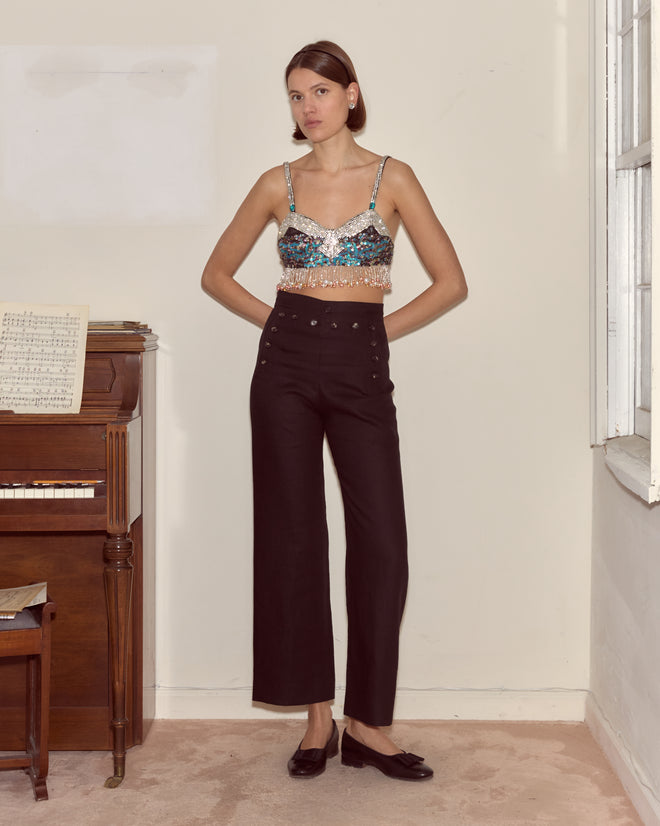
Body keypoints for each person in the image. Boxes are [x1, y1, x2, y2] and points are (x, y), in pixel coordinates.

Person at [202, 40, 467, 781]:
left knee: (382, 542)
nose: (307, 107)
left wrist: (371, 331)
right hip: (283, 367)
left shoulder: (393, 178)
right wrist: (280, 323)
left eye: (319, 91)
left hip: (361, 364)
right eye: (294, 95)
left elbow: (451, 282)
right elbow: (215, 275)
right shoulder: (273, 183)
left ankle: (368, 724)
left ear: (351, 95)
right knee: (292, 536)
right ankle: (316, 716)